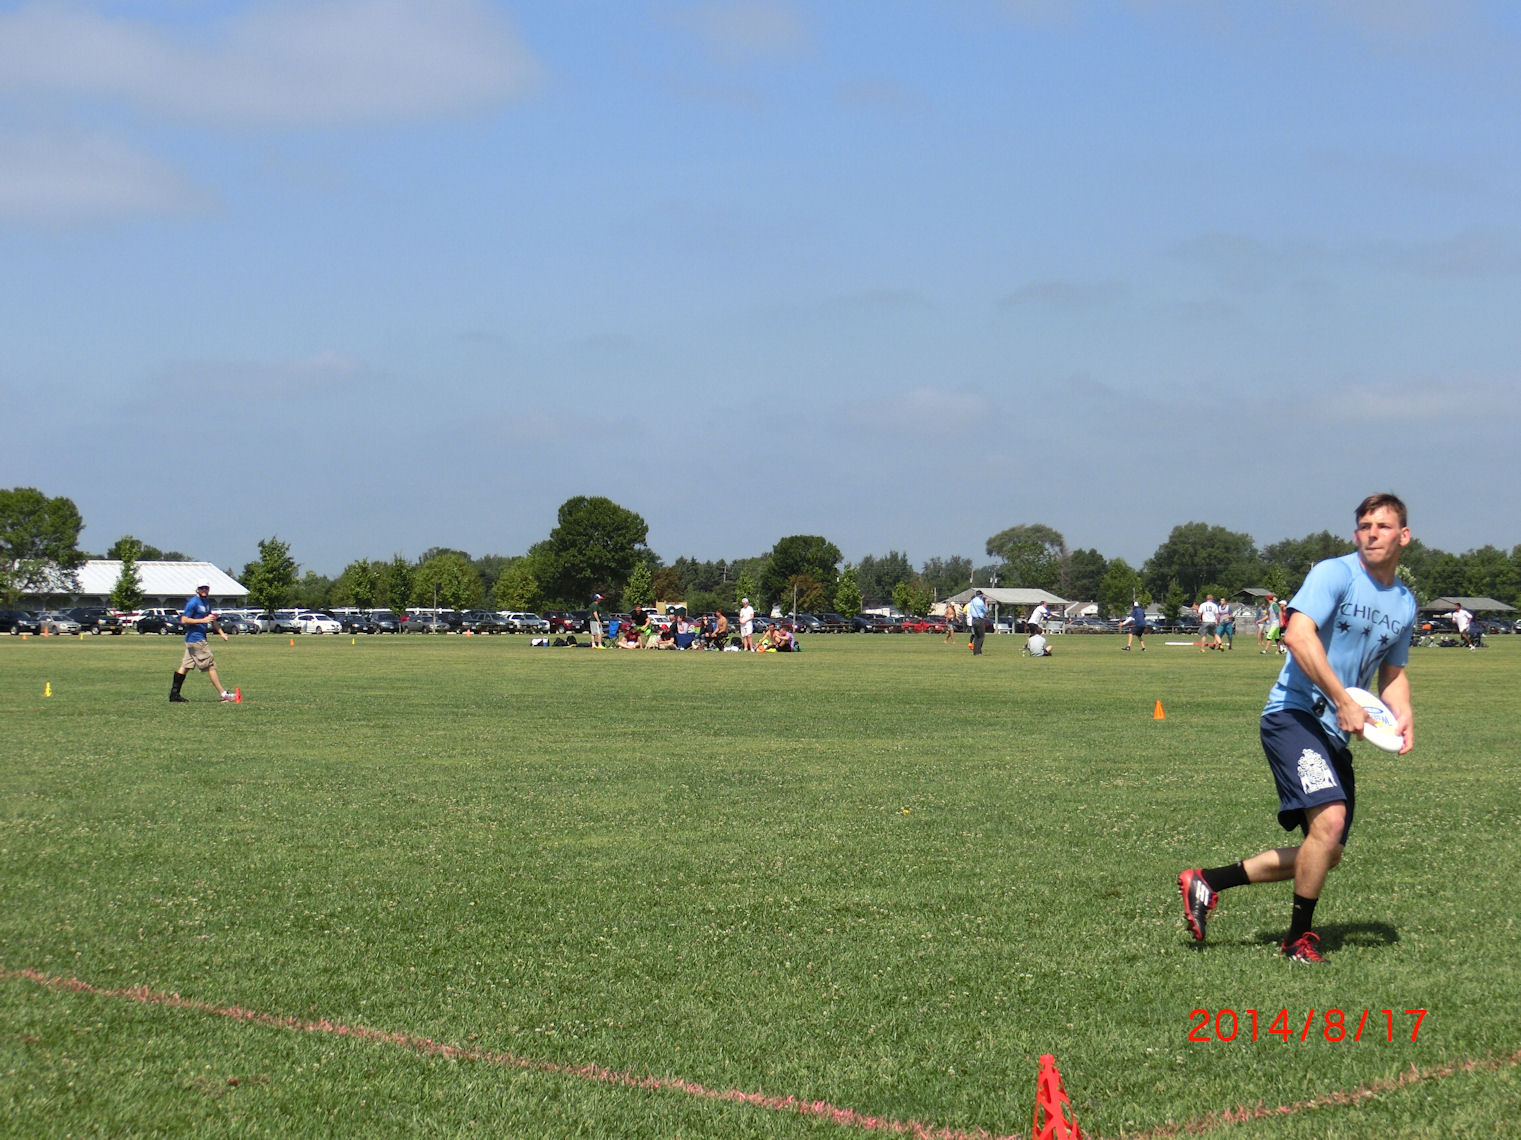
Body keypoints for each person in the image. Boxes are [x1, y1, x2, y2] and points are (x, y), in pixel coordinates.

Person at [1178, 493, 1416, 964]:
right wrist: (1343, 699)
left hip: (1337, 730)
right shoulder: (1335, 573)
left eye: (1384, 526)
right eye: (1365, 526)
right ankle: (1296, 941)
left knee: (1327, 851)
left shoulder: (1405, 603)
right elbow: (1297, 635)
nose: (1372, 534)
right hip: (1293, 713)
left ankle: (1207, 881)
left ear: (1404, 536)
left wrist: (1402, 711)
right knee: (1329, 822)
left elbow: (1393, 672)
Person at [169, 580, 235, 702]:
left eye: (206, 588)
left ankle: (174, 694)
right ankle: (223, 694)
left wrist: (222, 633)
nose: (204, 590)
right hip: (196, 639)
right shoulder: (193, 603)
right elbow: (184, 620)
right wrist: (202, 620)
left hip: (195, 640)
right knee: (210, 665)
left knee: (185, 666)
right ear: (197, 589)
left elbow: (211, 619)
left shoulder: (207, 602)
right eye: (202, 588)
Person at [966, 591, 988, 655]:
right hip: (979, 619)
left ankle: (975, 652)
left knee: (976, 636)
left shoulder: (972, 601)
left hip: (973, 620)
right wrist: (986, 602)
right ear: (981, 595)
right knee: (981, 637)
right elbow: (986, 610)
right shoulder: (980, 602)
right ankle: (978, 652)